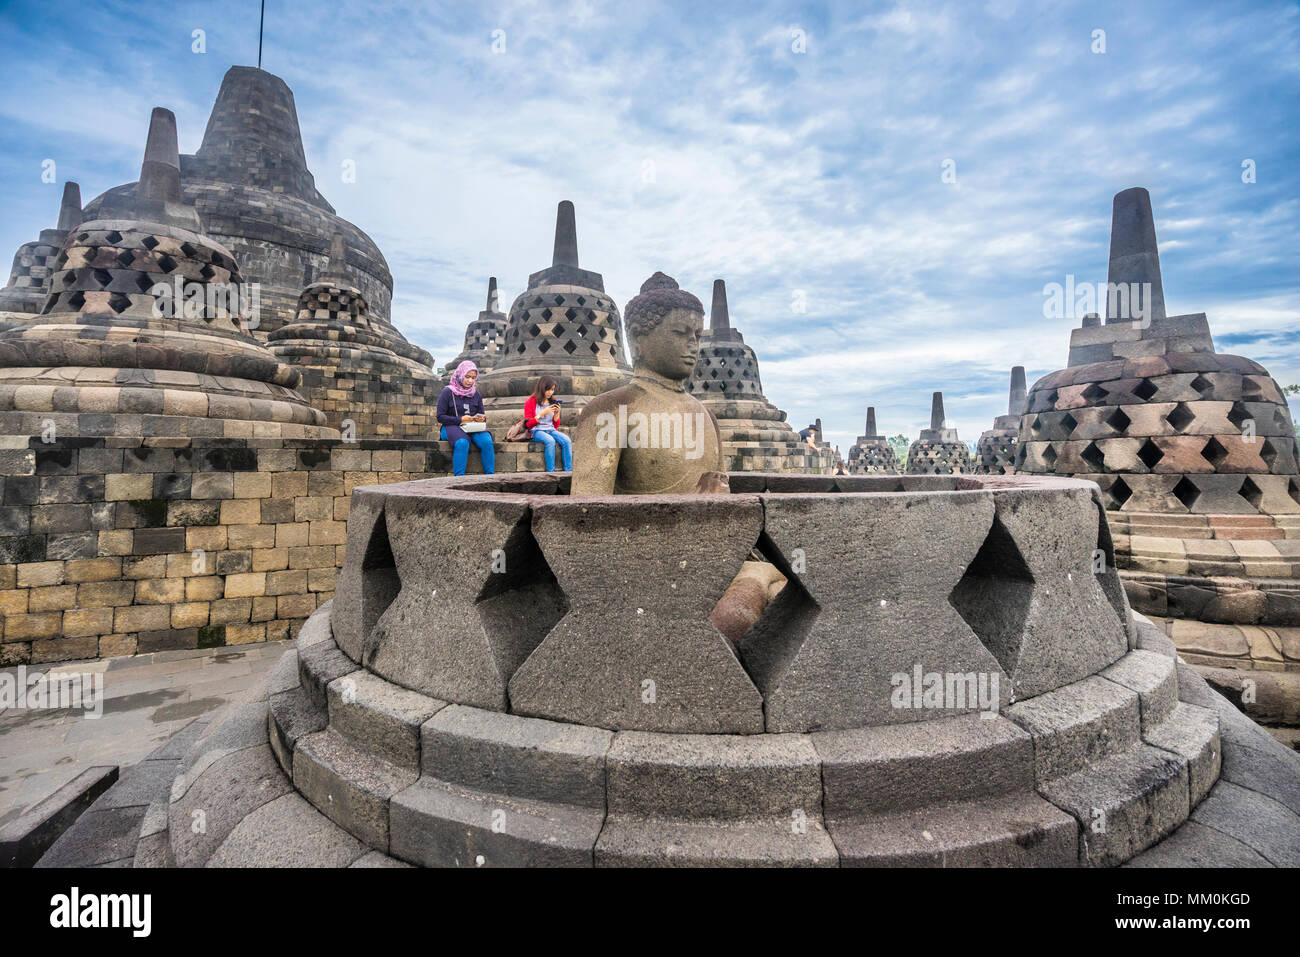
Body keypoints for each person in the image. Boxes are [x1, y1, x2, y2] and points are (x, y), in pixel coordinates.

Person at [437, 360, 495, 476]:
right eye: (467, 377)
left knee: (487, 442)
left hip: (472, 427)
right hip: (451, 426)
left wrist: (480, 419)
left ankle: (490, 477)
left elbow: (482, 414)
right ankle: (459, 479)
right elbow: (440, 417)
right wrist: (460, 419)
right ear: (460, 375)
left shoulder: (476, 393)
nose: (470, 381)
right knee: (462, 443)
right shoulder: (448, 392)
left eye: (473, 378)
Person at [523, 375, 572, 471]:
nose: (550, 392)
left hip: (550, 429)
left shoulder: (552, 402)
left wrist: (557, 414)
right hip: (536, 431)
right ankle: (550, 472)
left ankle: (568, 471)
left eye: (552, 390)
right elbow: (528, 425)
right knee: (550, 441)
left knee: (567, 440)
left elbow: (555, 425)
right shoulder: (531, 401)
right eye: (548, 389)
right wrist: (542, 414)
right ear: (541, 388)